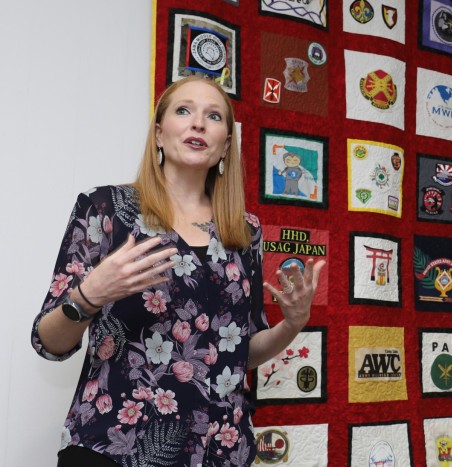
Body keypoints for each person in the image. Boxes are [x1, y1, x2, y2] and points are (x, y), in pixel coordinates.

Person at [31, 75, 325, 467]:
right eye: (184, 110)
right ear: (158, 133)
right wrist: (88, 297)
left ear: (226, 145)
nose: (198, 123)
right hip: (113, 446)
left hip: (219, 449)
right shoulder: (105, 210)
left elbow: (240, 354)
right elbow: (46, 342)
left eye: (213, 116)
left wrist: (292, 324)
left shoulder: (245, 231)